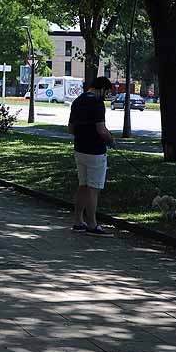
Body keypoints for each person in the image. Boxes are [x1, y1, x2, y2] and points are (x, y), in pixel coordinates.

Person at [67, 76, 116, 236]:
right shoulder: (97, 103)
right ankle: (92, 224)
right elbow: (101, 130)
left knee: (83, 185)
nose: (106, 96)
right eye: (107, 92)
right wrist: (111, 140)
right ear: (101, 88)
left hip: (79, 149)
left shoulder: (77, 101)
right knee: (93, 189)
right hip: (95, 151)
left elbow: (71, 128)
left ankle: (78, 220)